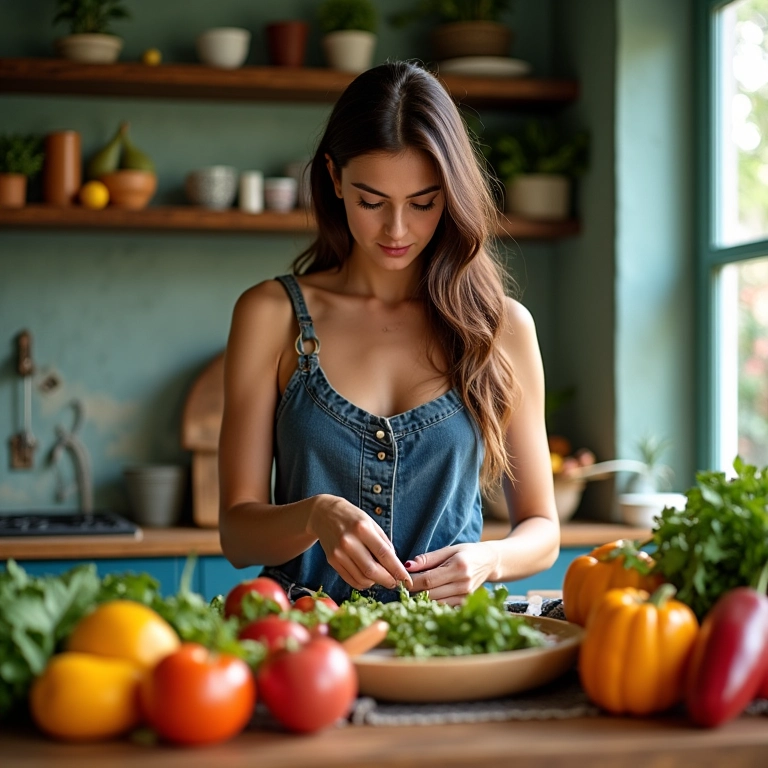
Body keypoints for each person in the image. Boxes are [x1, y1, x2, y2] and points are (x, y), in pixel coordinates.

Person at [218, 60, 559, 606]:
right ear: (334, 179)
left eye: (423, 203)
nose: (397, 229)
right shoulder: (270, 314)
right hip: (303, 638)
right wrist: (314, 515)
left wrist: (489, 559)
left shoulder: (502, 329)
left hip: (446, 640)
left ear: (451, 194)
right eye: (371, 201)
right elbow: (237, 534)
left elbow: (542, 529)